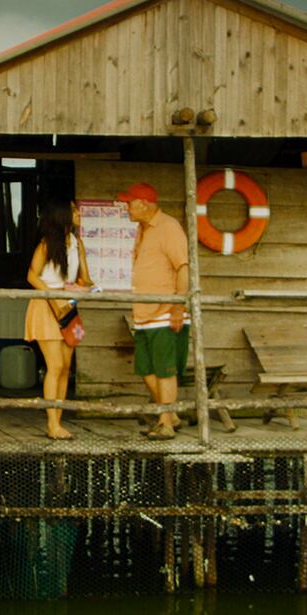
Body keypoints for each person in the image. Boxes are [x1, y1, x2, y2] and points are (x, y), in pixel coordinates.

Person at [119, 182, 191, 438]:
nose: (126, 206)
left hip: (164, 310)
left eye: (129, 202)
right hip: (144, 312)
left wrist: (178, 306)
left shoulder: (168, 228)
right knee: (146, 369)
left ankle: (166, 424)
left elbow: (183, 267)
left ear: (144, 204)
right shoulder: (143, 229)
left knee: (164, 369)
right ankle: (170, 414)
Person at [25, 197, 93, 440]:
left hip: (68, 307)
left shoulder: (77, 243)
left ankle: (58, 421)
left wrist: (82, 287)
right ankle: (52, 424)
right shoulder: (46, 244)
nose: (78, 214)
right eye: (74, 210)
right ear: (63, 214)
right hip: (47, 306)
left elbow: (86, 277)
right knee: (54, 366)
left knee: (65, 367)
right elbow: (32, 276)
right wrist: (53, 297)